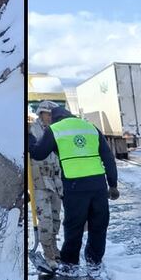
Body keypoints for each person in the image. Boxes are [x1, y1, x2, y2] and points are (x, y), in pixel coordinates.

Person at [28, 106, 118, 267]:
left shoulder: (55, 129)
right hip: (98, 185)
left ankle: (70, 264)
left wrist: (29, 138)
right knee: (99, 224)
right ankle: (94, 260)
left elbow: (38, 153)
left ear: (55, 119)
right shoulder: (90, 127)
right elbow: (108, 158)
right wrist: (113, 185)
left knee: (74, 227)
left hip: (75, 186)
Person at [29, 100, 63, 265]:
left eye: (52, 114)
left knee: (56, 218)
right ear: (41, 114)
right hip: (39, 183)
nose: (50, 117)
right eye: (47, 114)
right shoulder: (31, 131)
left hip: (56, 182)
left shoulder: (57, 131)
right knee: (46, 220)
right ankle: (48, 254)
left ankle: (54, 248)